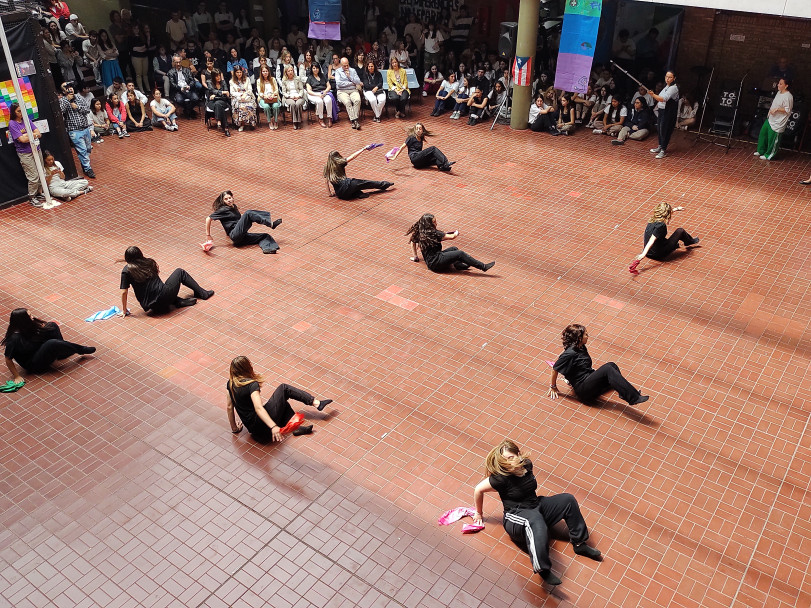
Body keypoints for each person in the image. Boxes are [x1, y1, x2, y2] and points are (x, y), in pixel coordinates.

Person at [472, 439, 601, 586]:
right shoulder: (500, 479)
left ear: (518, 454)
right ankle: (543, 569)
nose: (508, 463)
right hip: (516, 516)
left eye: (511, 458)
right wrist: (479, 513)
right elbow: (478, 489)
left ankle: (579, 544)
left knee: (568, 500)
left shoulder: (527, 464)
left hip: (536, 506)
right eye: (505, 461)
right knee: (534, 521)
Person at [226, 356, 332, 441]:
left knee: (283, 404)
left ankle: (296, 428)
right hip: (264, 427)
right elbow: (258, 408)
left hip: (255, 431)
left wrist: (234, 428)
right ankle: (316, 403)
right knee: (284, 388)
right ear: (247, 368)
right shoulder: (251, 385)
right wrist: (273, 427)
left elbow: (229, 407)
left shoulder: (230, 384)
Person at [549, 324, 649, 406]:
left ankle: (624, 393)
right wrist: (553, 386)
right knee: (608, 369)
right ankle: (634, 398)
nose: (588, 336)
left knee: (612, 365)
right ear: (579, 338)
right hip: (584, 390)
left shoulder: (581, 347)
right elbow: (555, 368)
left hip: (589, 381)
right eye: (586, 335)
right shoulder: (569, 353)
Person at [3, 308, 95, 387]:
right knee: (51, 343)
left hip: (37, 349)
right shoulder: (14, 339)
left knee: (52, 325)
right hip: (34, 364)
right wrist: (16, 376)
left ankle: (61, 353)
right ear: (23, 321)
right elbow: (8, 359)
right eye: (30, 316)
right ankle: (80, 349)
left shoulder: (27, 326)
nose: (33, 317)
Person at [119, 246, 214, 317]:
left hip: (152, 306)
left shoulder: (126, 271)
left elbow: (124, 292)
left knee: (161, 290)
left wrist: (124, 310)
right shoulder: (149, 262)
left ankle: (178, 301)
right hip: (165, 296)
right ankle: (202, 293)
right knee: (179, 272)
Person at [406, 213, 494, 273]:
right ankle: (483, 267)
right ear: (429, 224)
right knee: (460, 253)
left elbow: (413, 243)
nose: (436, 223)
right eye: (434, 222)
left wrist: (415, 257)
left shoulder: (420, 233)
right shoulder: (435, 233)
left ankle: (459, 265)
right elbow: (452, 237)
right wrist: (456, 232)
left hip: (431, 262)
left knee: (454, 249)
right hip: (436, 263)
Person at [206, 190, 282, 254]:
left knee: (265, 236)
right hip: (235, 235)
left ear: (233, 198)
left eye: (230, 198)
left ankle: (268, 249)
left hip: (242, 237)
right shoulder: (223, 210)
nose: (229, 200)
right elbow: (208, 219)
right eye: (226, 199)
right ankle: (270, 224)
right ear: (223, 201)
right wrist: (208, 235)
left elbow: (232, 221)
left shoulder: (233, 207)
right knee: (248, 213)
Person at [634, 201, 699, 267]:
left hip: (650, 252)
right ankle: (689, 241)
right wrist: (643, 254)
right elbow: (652, 240)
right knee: (680, 231)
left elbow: (664, 214)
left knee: (668, 241)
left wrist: (676, 209)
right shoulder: (660, 226)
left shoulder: (653, 219)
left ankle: (678, 244)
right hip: (657, 254)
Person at [8, 103, 46, 207]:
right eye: (18, 111)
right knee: (33, 176)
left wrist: (29, 135)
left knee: (41, 172)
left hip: (36, 149)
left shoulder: (27, 120)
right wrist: (31, 135)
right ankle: (32, 197)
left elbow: (39, 133)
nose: (21, 113)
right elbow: (22, 139)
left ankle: (39, 193)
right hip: (25, 153)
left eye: (22, 111)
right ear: (14, 112)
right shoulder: (12, 123)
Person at [57, 81, 95, 179]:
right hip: (74, 131)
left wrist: (77, 107)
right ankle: (88, 169)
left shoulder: (79, 97)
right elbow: (60, 112)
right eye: (67, 88)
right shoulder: (63, 100)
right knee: (82, 151)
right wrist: (67, 101)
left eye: (71, 87)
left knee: (88, 149)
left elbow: (87, 110)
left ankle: (84, 164)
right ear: (64, 91)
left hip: (85, 128)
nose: (70, 89)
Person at [324, 148, 393, 200]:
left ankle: (358, 194)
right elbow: (353, 156)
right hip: (347, 184)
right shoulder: (339, 163)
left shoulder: (326, 168)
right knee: (365, 183)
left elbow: (326, 182)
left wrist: (329, 193)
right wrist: (363, 149)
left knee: (356, 187)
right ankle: (385, 184)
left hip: (341, 194)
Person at [755, 78, 793, 161]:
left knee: (773, 139)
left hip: (778, 122)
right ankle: (761, 150)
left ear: (786, 86)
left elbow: (788, 110)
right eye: (778, 83)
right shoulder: (779, 92)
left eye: (780, 84)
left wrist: (777, 109)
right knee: (763, 134)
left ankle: (769, 154)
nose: (778, 85)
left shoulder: (788, 97)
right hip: (770, 118)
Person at [645, 71, 679, 159]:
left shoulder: (673, 88)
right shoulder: (666, 87)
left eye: (670, 77)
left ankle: (663, 150)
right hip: (661, 111)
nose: (667, 79)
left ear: (674, 78)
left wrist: (653, 95)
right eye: (666, 77)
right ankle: (660, 146)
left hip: (668, 112)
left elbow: (663, 99)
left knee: (665, 130)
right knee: (659, 128)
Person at [335, 57, 363, 130]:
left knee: (357, 100)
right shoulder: (337, 71)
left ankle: (354, 121)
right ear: (341, 65)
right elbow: (339, 84)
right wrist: (351, 83)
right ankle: (355, 120)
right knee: (348, 102)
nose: (346, 67)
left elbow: (358, 81)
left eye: (347, 65)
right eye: (344, 66)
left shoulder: (352, 70)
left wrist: (349, 77)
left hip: (353, 90)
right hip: (342, 91)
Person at [305, 63, 334, 128]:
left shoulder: (323, 76)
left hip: (323, 92)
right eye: (314, 68)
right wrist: (318, 94)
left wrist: (325, 91)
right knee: (319, 101)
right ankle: (321, 119)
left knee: (328, 100)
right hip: (314, 94)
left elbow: (329, 86)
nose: (315, 70)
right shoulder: (309, 78)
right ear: (311, 69)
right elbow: (309, 91)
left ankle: (329, 118)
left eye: (317, 68)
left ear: (319, 69)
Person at [228, 65, 256, 131]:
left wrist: (245, 94)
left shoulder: (247, 79)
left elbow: (249, 89)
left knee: (250, 105)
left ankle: (250, 123)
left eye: (240, 72)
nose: (239, 74)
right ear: (235, 73)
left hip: (247, 96)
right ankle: (242, 124)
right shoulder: (231, 81)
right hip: (237, 98)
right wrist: (240, 94)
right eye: (237, 72)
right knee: (241, 107)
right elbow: (232, 92)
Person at [206, 68, 231, 135]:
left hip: (223, 101)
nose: (219, 77)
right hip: (212, 103)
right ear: (213, 77)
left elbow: (226, 95)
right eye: (216, 76)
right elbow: (212, 91)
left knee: (218, 104)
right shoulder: (209, 82)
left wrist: (215, 96)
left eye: (219, 75)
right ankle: (226, 128)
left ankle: (219, 121)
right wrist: (222, 92)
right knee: (218, 104)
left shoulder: (223, 82)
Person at [280, 65, 306, 130]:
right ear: (286, 72)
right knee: (292, 104)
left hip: (298, 96)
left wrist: (299, 96)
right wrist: (290, 97)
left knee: (298, 104)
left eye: (291, 70)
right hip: (289, 97)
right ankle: (294, 121)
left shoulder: (297, 78)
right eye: (289, 71)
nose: (290, 72)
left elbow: (301, 89)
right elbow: (284, 92)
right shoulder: (284, 80)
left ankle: (299, 121)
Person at [256, 64, 281, 130]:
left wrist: (273, 95)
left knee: (275, 106)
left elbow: (276, 90)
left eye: (266, 71)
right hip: (263, 98)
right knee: (266, 107)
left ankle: (275, 121)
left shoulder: (273, 79)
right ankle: (270, 121)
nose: (265, 73)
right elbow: (260, 92)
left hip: (274, 96)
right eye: (263, 71)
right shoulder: (259, 81)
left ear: (269, 72)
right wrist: (266, 96)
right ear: (261, 72)